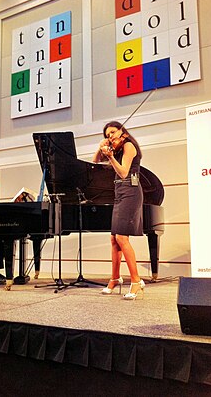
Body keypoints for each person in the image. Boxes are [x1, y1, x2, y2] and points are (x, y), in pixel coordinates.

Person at [93, 121, 145, 300]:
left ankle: (136, 281)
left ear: (122, 131)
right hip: (119, 192)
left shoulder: (129, 145)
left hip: (131, 191)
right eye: (108, 135)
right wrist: (101, 148)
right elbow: (95, 163)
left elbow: (123, 172)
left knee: (122, 237)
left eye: (113, 132)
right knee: (114, 238)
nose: (111, 136)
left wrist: (111, 157)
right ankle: (115, 278)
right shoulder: (114, 147)